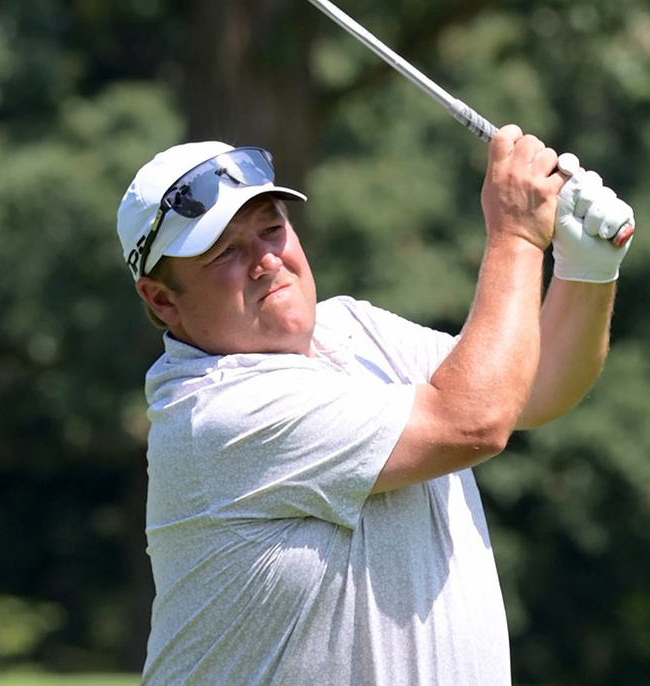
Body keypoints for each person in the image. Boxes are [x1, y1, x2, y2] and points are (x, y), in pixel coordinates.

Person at [116, 126, 634, 686]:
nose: (266, 259)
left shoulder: (355, 329)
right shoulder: (214, 413)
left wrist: (585, 270)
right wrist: (517, 236)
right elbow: (473, 421)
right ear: (162, 299)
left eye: (272, 229)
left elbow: (529, 387)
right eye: (225, 252)